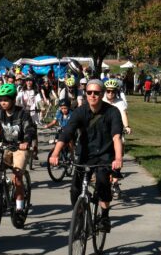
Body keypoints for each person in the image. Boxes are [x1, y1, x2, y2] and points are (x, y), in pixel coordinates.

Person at [49, 79, 123, 232]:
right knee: (75, 189)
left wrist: (118, 158)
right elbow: (67, 132)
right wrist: (55, 153)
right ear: (86, 94)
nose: (93, 95)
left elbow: (116, 136)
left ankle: (104, 216)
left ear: (102, 94)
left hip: (104, 155)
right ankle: (80, 215)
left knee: (103, 182)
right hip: (84, 154)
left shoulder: (112, 112)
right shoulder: (80, 111)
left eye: (96, 93)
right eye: (89, 92)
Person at [0, 83, 36, 226]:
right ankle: (1, 193)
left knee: (17, 177)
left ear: (13, 99)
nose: (3, 102)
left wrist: (26, 141)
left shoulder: (22, 114)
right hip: (5, 146)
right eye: (0, 100)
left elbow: (29, 129)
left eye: (6, 99)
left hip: (20, 148)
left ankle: (20, 207)